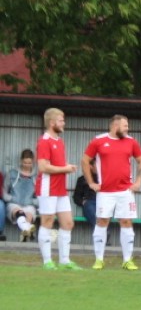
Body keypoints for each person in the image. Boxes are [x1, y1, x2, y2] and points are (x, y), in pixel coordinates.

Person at [81, 114, 141, 271]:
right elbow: (85, 160)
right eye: (125, 126)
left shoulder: (131, 142)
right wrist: (91, 183)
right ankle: (99, 260)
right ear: (115, 126)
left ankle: (127, 260)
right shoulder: (98, 140)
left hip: (125, 191)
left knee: (126, 222)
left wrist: (138, 180)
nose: (127, 129)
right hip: (105, 192)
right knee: (102, 222)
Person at [35, 108, 79, 270]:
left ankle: (64, 261)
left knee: (68, 223)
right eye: (61, 120)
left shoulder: (59, 141)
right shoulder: (44, 141)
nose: (63, 123)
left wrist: (65, 168)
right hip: (47, 188)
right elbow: (43, 167)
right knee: (47, 222)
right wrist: (66, 169)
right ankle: (47, 261)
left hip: (60, 189)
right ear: (52, 123)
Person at [4, 149, 38, 242]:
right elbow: (4, 192)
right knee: (19, 212)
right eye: (24, 162)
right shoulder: (12, 173)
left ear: (33, 162)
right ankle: (28, 229)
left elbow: (40, 197)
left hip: (29, 204)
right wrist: (12, 198)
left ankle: (25, 233)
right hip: (14, 204)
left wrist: (32, 201)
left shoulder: (37, 177)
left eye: (29, 163)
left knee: (29, 215)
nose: (27, 165)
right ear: (21, 161)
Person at [73, 162, 98, 226]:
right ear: (90, 166)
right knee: (91, 209)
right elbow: (76, 197)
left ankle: (102, 231)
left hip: (102, 201)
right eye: (97, 165)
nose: (99, 167)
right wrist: (83, 202)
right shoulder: (82, 179)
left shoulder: (103, 179)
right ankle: (102, 231)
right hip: (90, 202)